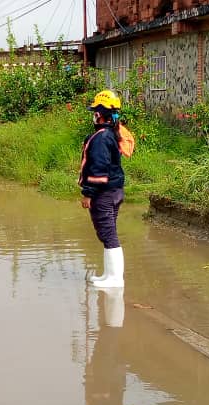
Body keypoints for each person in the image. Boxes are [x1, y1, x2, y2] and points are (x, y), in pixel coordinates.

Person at [85, 288, 137, 405]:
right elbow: (96, 399)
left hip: (113, 377)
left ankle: (115, 294)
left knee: (111, 331)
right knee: (110, 331)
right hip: (106, 375)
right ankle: (115, 293)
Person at [81, 90, 127, 289]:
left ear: (100, 114)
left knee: (108, 234)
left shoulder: (100, 138)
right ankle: (108, 275)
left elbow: (99, 169)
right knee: (108, 233)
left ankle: (116, 279)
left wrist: (88, 194)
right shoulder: (110, 134)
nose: (93, 115)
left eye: (95, 111)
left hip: (104, 193)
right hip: (114, 190)